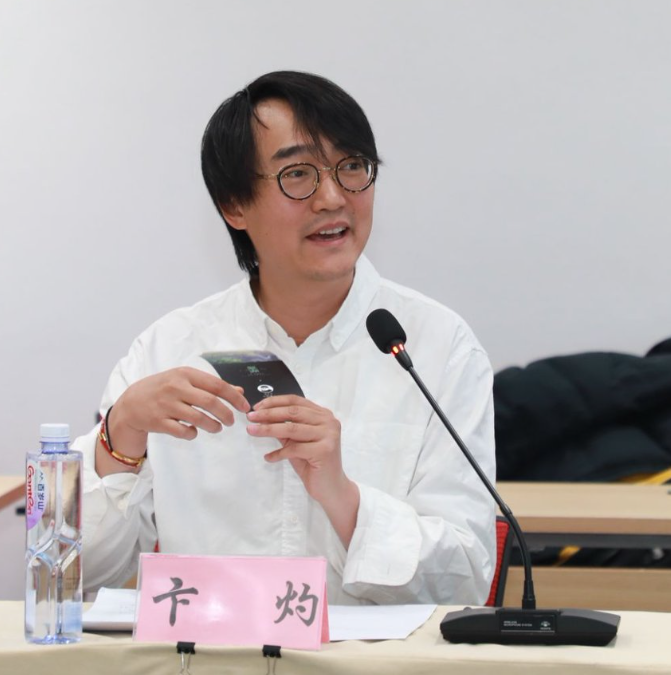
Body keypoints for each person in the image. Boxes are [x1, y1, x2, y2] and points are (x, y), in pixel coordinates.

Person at [74, 71, 496, 605]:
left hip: (369, 653)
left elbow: (466, 579)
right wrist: (122, 434)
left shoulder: (437, 348)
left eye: (352, 167)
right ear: (234, 205)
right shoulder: (169, 349)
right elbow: (80, 576)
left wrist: (344, 499)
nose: (332, 198)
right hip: (210, 650)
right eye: (298, 174)